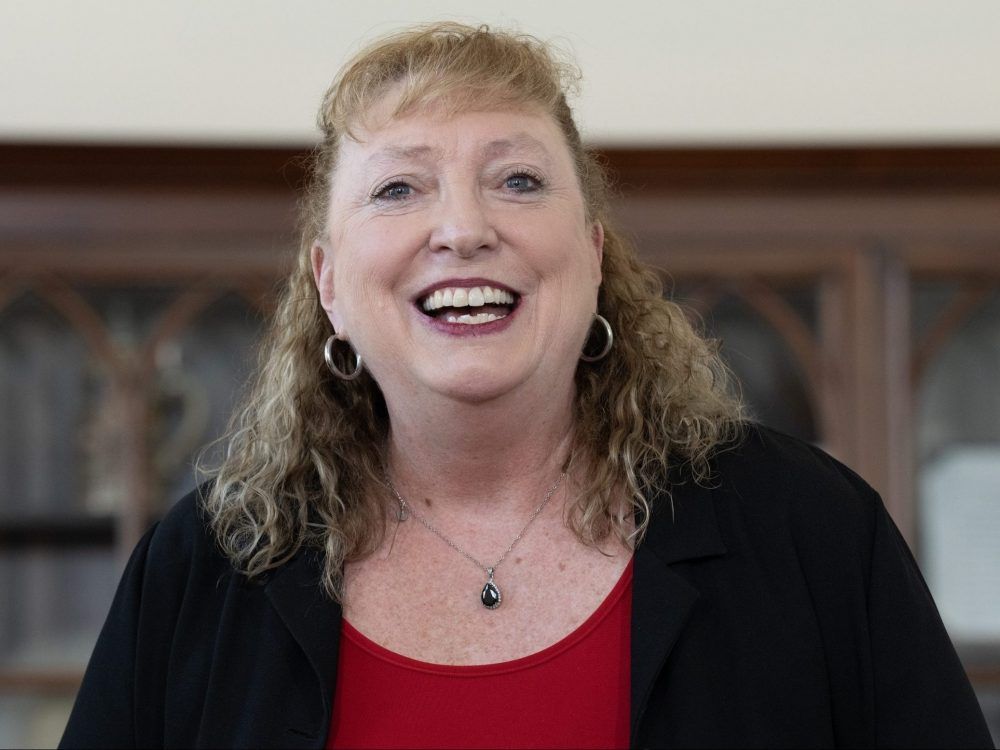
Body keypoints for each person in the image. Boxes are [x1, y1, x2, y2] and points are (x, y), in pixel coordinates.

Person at [61, 22, 992, 749]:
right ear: (329, 286)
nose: (462, 229)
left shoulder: (812, 531)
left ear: (591, 258)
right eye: (397, 189)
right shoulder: (202, 568)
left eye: (516, 179)